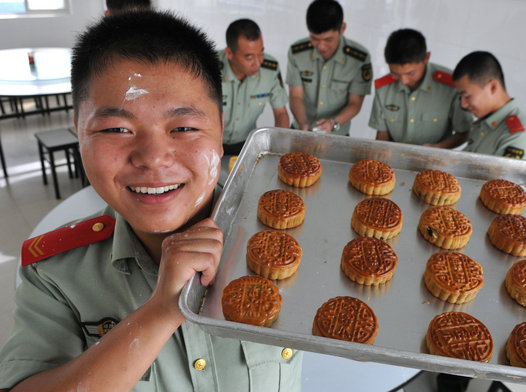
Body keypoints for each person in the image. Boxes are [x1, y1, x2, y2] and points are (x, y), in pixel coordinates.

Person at [0, 11, 302, 391]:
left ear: (222, 126)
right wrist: (160, 312)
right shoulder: (55, 275)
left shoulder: (286, 237)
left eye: (185, 128)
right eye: (116, 129)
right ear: (78, 130)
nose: (154, 157)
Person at [369, 28, 472, 147]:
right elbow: (382, 136)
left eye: (410, 73)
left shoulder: (451, 86)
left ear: (426, 58)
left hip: (435, 161)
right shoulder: (383, 89)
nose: (403, 81)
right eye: (395, 73)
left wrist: (436, 149)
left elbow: (464, 132)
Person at [286, 0, 372, 135]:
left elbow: (355, 103)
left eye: (328, 39)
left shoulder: (359, 59)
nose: (321, 46)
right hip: (300, 130)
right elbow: (295, 96)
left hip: (337, 135)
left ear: (342, 29)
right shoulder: (297, 52)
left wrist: (333, 122)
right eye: (314, 38)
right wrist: (303, 125)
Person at [219, 18, 289, 156]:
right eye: (249, 57)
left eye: (261, 53)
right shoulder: (207, 67)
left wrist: (279, 148)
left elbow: (281, 113)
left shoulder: (270, 69)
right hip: (211, 143)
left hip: (246, 145)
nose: (258, 63)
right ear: (229, 53)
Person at [453, 51, 526, 160]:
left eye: (467, 96)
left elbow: (504, 177)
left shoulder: (517, 135)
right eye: (461, 98)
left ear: (492, 87)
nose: (463, 105)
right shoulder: (485, 123)